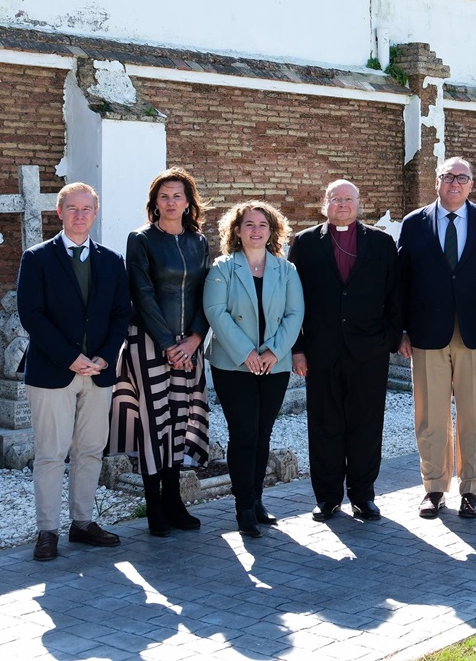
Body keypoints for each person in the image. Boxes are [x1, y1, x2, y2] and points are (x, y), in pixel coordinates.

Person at [17, 182, 132, 561]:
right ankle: (47, 531)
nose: (80, 215)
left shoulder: (111, 260)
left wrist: (104, 357)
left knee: (90, 450)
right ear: (59, 212)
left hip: (99, 372)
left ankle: (82, 523)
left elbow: (121, 314)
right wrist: (69, 357)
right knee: (51, 453)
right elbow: (31, 314)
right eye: (72, 208)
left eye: (86, 209)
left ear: (95, 213)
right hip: (52, 371)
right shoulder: (37, 258)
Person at [397, 157, 476, 519]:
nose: (455, 183)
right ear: (437, 182)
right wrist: (402, 330)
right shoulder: (414, 223)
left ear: (471, 184)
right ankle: (434, 488)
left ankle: (471, 490)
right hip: (427, 334)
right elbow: (401, 281)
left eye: (462, 177)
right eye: (448, 176)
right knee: (430, 416)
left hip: (475, 334)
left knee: (475, 416)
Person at [289, 180, 401, 522]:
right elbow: (293, 301)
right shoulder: (305, 243)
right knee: (325, 425)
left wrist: (390, 339)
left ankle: (363, 496)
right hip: (321, 350)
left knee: (366, 425)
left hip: (369, 351)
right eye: (335, 198)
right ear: (325, 204)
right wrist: (298, 349)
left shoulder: (381, 242)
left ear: (358, 203)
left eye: (348, 199)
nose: (342, 204)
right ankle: (327, 497)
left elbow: (395, 294)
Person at [109, 167, 211, 537]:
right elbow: (142, 293)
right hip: (148, 341)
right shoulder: (140, 239)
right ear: (154, 202)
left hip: (189, 344)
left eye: (177, 196)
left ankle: (174, 500)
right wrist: (168, 343)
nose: (170, 202)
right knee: (154, 423)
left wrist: (195, 338)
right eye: (163, 196)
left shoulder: (199, 241)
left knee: (180, 420)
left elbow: (205, 293)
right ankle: (154, 505)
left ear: (188, 202)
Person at [203, 200, 304, 538]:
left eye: (262, 225)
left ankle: (258, 499)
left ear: (272, 231)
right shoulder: (222, 267)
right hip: (234, 364)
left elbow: (295, 314)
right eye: (249, 224)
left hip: (274, 364)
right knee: (243, 433)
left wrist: (274, 352)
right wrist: (246, 352)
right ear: (237, 230)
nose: (256, 230)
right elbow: (216, 312)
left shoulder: (286, 270)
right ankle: (243, 505)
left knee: (263, 433)